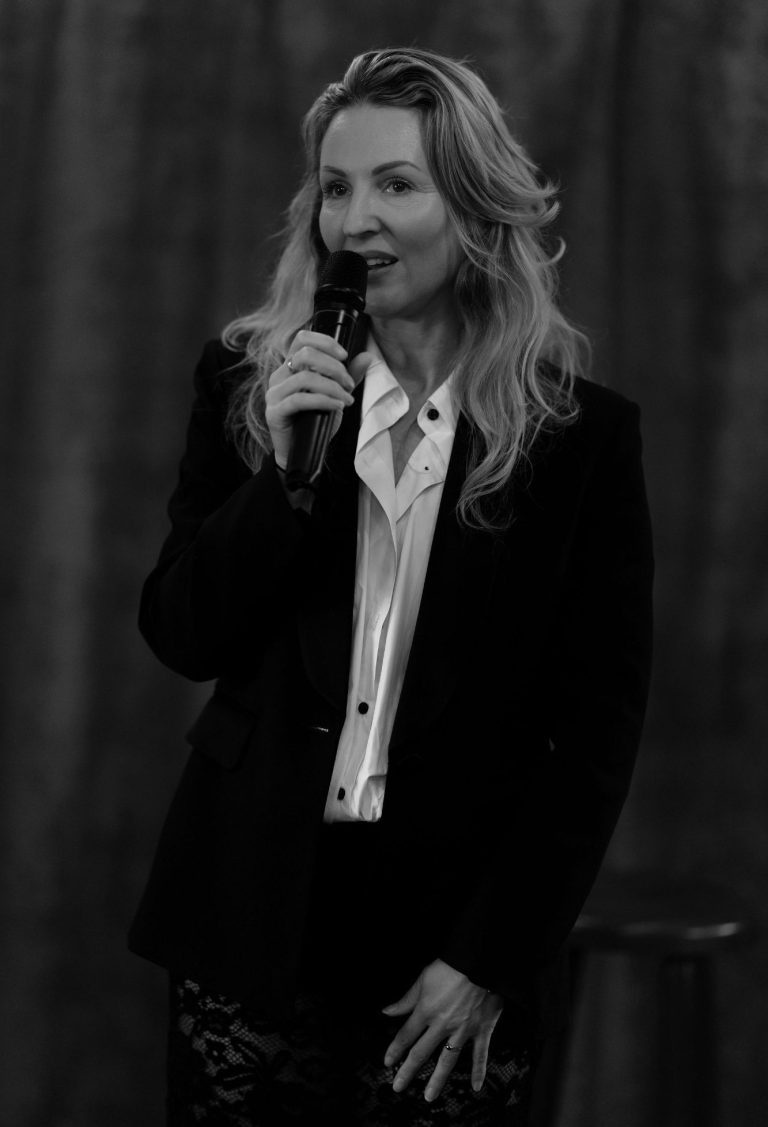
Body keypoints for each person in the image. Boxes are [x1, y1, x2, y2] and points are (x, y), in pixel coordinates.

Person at [128, 46, 653, 1127]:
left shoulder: (579, 438)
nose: (354, 220)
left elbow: (595, 737)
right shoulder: (248, 381)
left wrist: (491, 955)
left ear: (475, 208)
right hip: (251, 906)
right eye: (335, 187)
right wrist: (282, 480)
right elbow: (184, 633)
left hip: (448, 936)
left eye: (396, 184)